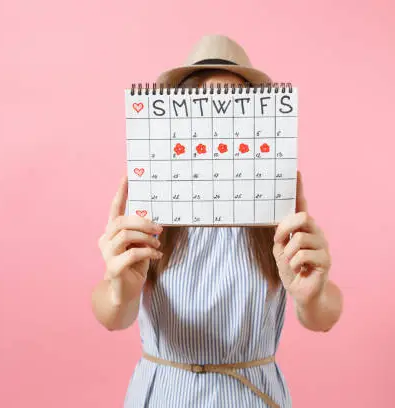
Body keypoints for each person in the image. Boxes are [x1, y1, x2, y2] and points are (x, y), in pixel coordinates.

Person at [92, 35, 343, 408]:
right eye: (203, 109)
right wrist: (119, 289)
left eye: (236, 111)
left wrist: (314, 294)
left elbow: (322, 316)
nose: (218, 125)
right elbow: (113, 316)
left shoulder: (276, 215)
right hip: (163, 396)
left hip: (252, 396)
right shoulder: (152, 209)